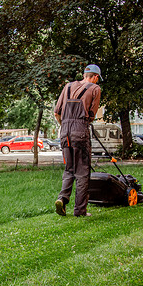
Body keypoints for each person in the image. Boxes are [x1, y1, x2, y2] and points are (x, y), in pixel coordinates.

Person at [54, 64, 102, 217]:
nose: (97, 81)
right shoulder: (95, 89)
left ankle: (62, 198)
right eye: (97, 79)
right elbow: (91, 114)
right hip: (80, 131)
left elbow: (56, 112)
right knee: (82, 172)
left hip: (65, 132)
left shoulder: (67, 86)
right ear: (95, 77)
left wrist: (65, 126)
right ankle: (80, 211)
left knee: (69, 169)